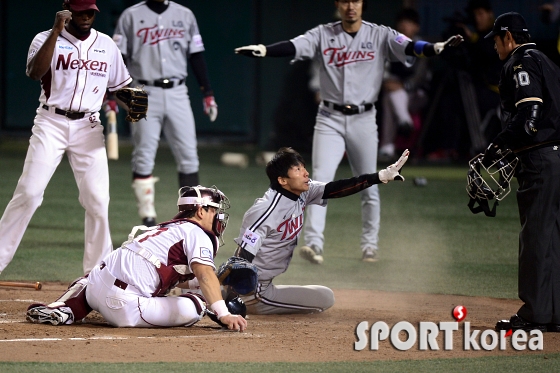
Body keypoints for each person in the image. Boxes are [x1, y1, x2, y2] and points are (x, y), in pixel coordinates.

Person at [235, 0, 463, 264]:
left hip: (364, 118)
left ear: (363, 3)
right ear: (337, 4)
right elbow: (295, 45)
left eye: (355, 0)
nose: (350, 6)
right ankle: (314, 245)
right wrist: (265, 49)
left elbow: (411, 46)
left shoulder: (380, 33)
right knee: (317, 181)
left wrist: (435, 48)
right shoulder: (323, 33)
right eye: (345, 0)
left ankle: (369, 246)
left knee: (372, 182)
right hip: (329, 117)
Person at [0, 0, 133, 277]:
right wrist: (56, 31)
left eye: (90, 12)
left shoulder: (106, 44)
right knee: (30, 193)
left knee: (97, 200)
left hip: (89, 125)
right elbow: (34, 72)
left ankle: (98, 275)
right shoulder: (44, 38)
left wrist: (133, 104)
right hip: (51, 122)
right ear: (67, 9)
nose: (86, 16)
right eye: (80, 10)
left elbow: (121, 87)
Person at [26, 185, 247, 332]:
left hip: (93, 288)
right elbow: (203, 274)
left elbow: (172, 274)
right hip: (123, 308)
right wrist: (223, 313)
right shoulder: (198, 234)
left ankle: (66, 308)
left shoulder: (168, 229)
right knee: (197, 304)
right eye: (214, 210)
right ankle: (75, 308)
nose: (218, 216)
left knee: (96, 275)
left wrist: (218, 284)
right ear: (200, 211)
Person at [229, 147, 409, 314]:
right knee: (325, 298)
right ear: (282, 180)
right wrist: (233, 299)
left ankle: (215, 292)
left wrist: (380, 176)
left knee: (322, 292)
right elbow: (242, 258)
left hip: (263, 286)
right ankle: (230, 298)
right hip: (253, 291)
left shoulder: (302, 192)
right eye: (297, 170)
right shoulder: (266, 210)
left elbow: (335, 188)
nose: (305, 173)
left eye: (303, 167)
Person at [482, 12, 560, 332]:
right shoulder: (548, 62)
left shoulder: (520, 62)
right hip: (558, 156)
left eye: (497, 40)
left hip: (541, 161)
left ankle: (534, 315)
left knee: (537, 238)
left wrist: (497, 146)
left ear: (509, 37)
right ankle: (554, 314)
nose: (496, 47)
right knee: (554, 237)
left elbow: (529, 116)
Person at [112, 0, 218, 227]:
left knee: (189, 155)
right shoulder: (130, 15)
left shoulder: (185, 14)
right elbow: (118, 59)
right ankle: (147, 216)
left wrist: (207, 92)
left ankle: (190, 214)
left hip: (178, 90)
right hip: (142, 90)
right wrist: (114, 93)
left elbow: (196, 56)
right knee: (144, 153)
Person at [379, 8, 431, 161]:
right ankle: (404, 121)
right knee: (389, 95)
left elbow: (419, 78)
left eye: (408, 23)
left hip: (418, 95)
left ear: (416, 27)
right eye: (401, 23)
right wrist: (387, 82)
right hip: (395, 91)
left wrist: (402, 86)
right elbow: (384, 71)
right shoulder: (391, 45)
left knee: (390, 96)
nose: (404, 27)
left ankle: (387, 145)